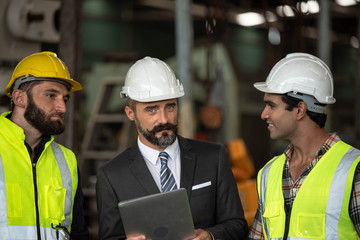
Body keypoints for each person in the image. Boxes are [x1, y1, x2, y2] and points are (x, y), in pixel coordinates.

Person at [96, 56, 248, 240]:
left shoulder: (213, 158)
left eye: (170, 106)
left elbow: (238, 225)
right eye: (151, 109)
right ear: (130, 113)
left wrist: (210, 235)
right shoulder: (112, 176)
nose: (164, 119)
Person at [248, 52, 360, 239]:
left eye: (271, 106)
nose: (263, 114)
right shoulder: (268, 173)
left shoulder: (353, 170)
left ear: (300, 110)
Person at [0, 51, 89, 239]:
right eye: (51, 95)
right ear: (19, 98)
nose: (62, 107)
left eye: (64, 99)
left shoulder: (67, 160)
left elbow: (78, 233)